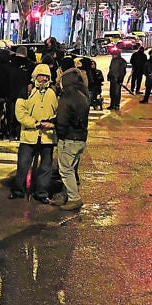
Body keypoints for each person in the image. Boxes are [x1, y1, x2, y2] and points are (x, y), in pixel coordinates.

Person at [11, 64, 59, 202]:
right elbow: (20, 113)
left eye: (46, 76)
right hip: (29, 136)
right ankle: (18, 190)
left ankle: (41, 193)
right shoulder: (27, 91)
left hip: (47, 137)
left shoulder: (53, 92)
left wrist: (52, 123)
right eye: (41, 75)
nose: (44, 79)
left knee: (46, 166)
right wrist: (34, 123)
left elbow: (58, 111)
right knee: (23, 165)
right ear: (35, 76)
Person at [53, 66, 90, 211]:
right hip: (80, 137)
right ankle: (66, 195)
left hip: (69, 137)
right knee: (71, 168)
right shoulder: (82, 94)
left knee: (65, 170)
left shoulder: (67, 95)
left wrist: (59, 131)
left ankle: (74, 198)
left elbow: (62, 119)